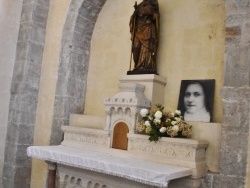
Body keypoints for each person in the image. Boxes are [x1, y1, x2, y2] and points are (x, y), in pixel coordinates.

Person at [129, 0, 160, 74]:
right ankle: (137, 66)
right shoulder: (139, 5)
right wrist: (135, 13)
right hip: (138, 29)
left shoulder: (153, 2)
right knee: (135, 47)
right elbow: (134, 17)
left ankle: (147, 66)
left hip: (148, 28)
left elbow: (155, 15)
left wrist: (145, 12)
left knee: (147, 48)